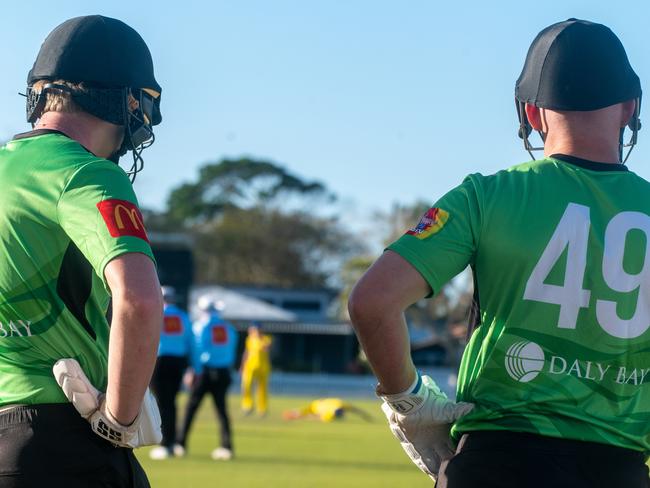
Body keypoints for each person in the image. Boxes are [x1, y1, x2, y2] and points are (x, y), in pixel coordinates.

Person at [348, 18, 650, 488]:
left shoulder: (486, 196)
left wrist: (411, 402)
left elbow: (371, 302)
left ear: (532, 114)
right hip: (620, 469)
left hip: (497, 460)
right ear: (631, 106)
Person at [0, 15, 164, 487]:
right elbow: (140, 300)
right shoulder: (86, 173)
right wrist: (120, 417)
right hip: (59, 439)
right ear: (127, 100)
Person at [177, 296, 238, 461]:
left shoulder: (200, 326)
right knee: (222, 410)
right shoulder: (228, 328)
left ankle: (180, 444)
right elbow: (231, 351)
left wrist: (194, 371)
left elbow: (196, 350)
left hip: (204, 371)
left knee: (191, 409)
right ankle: (227, 446)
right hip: (223, 372)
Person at [149, 286, 194, 460]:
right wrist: (192, 367)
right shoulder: (183, 317)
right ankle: (173, 442)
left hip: (160, 361)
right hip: (179, 362)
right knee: (171, 402)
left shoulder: (156, 314)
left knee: (161, 403)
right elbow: (191, 343)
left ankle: (165, 444)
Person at [240, 323, 272, 416]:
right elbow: (246, 352)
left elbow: (267, 347)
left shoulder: (266, 339)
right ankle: (247, 406)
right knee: (246, 386)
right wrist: (242, 364)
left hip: (263, 367)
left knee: (262, 389)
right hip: (249, 366)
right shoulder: (249, 339)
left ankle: (262, 409)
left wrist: (260, 340)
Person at [283, 398, 373, 423]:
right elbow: (319, 418)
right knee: (304, 413)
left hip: (318, 402)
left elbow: (355, 410)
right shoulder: (332, 413)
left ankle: (292, 414)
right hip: (316, 408)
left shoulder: (341, 404)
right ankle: (293, 415)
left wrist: (366, 417)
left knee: (303, 411)